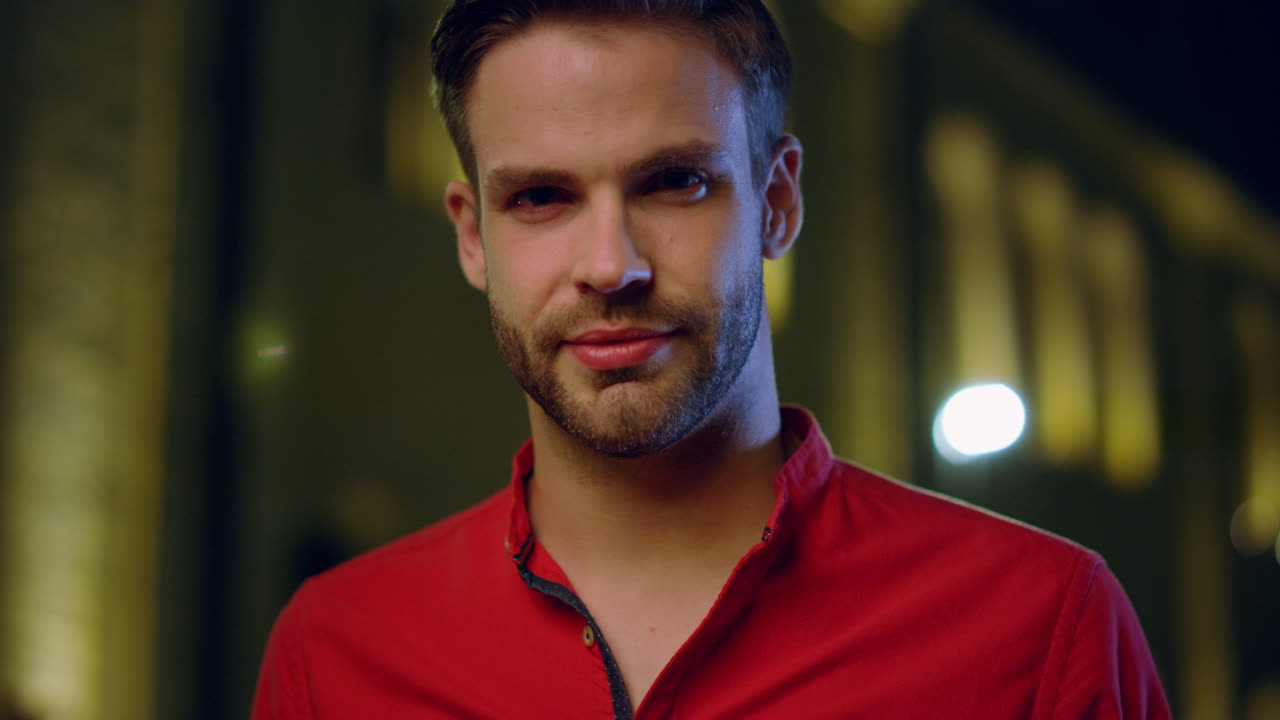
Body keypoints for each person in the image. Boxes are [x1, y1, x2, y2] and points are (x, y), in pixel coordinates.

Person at [251, 1, 1170, 718]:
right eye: (540, 196)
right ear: (473, 237)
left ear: (777, 203)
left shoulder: (1040, 626)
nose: (611, 264)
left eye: (676, 181)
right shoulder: (335, 655)